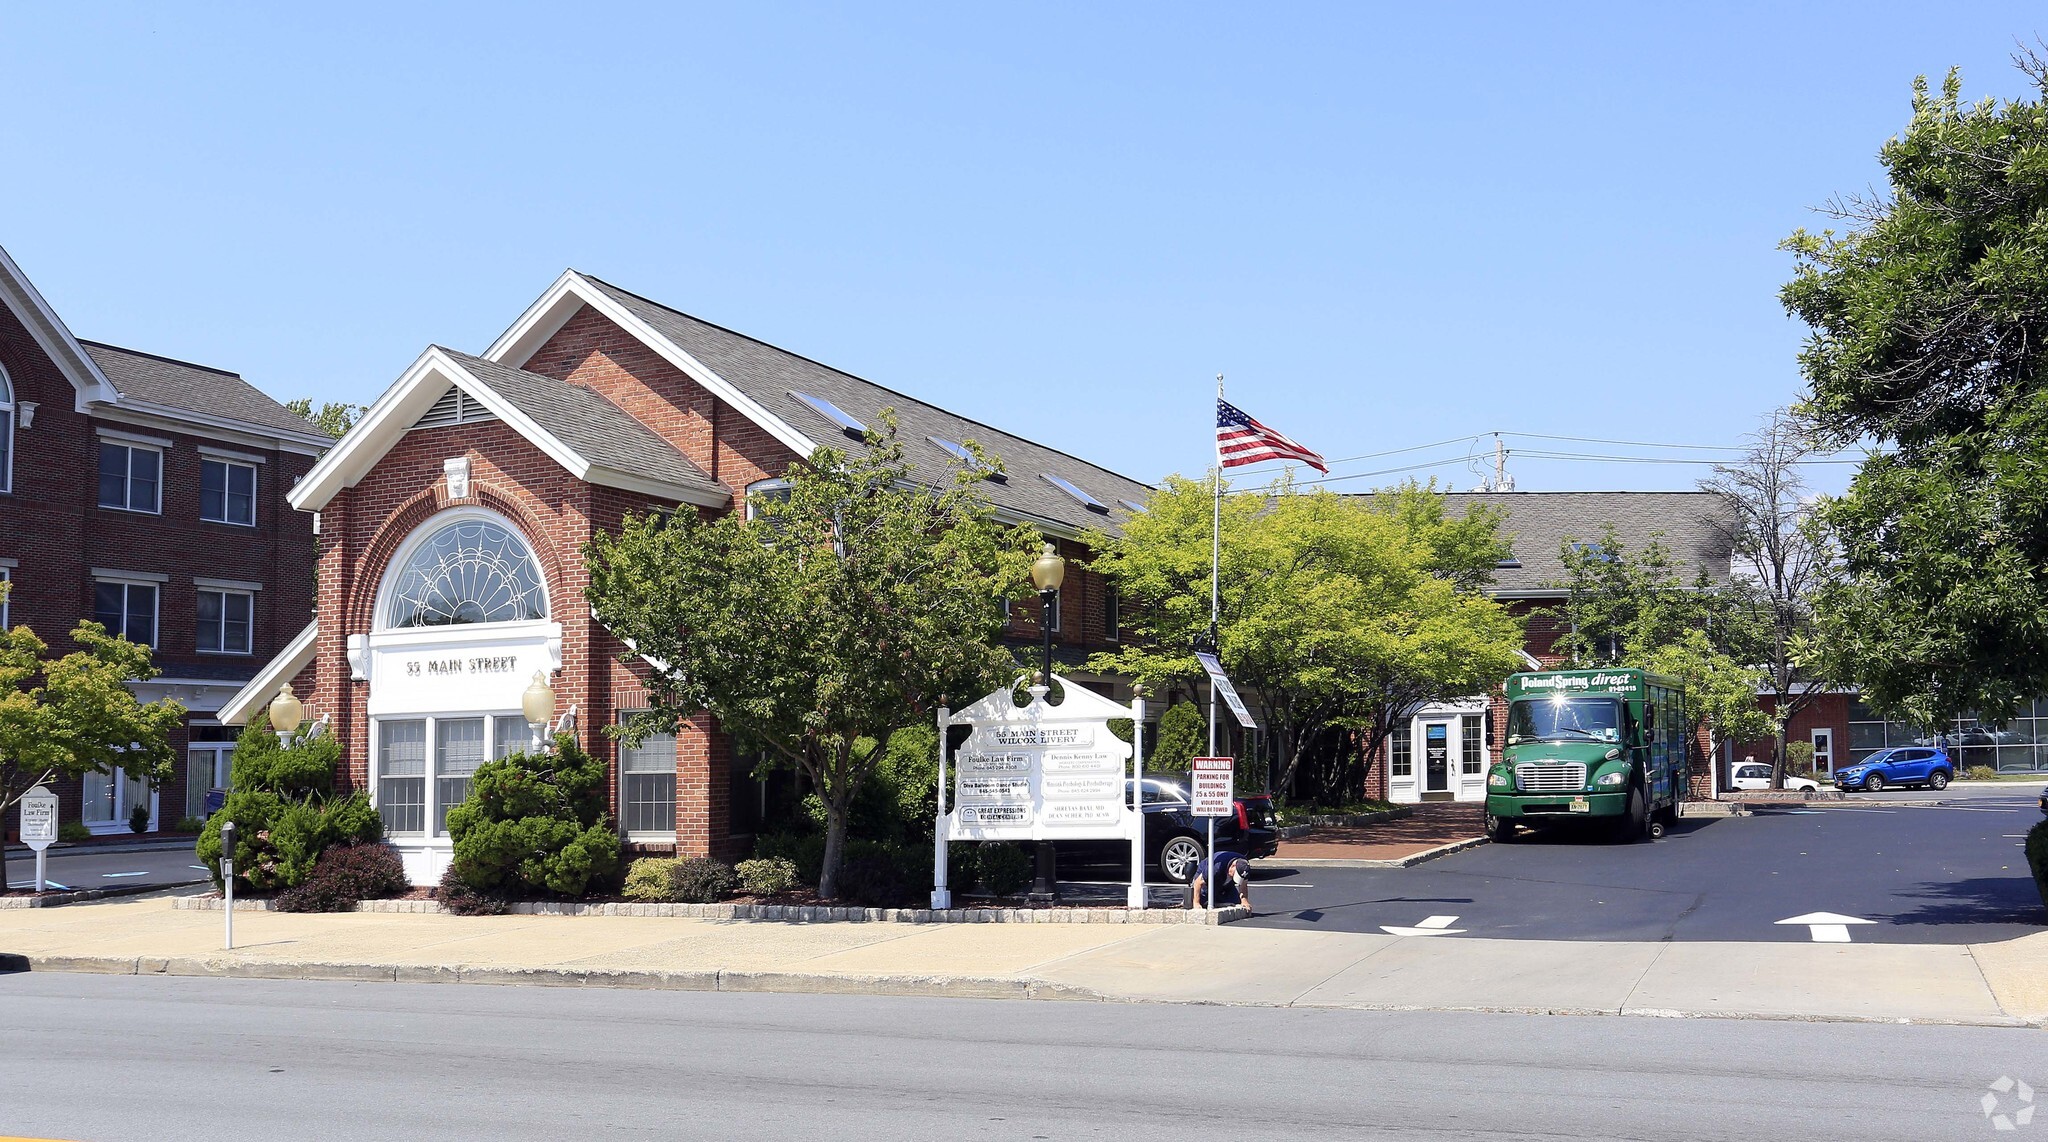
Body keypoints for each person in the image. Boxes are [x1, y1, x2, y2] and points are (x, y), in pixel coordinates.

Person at [1187, 849, 1251, 911]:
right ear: (1232, 866)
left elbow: (1243, 884)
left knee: (1236, 902)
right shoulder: (1215, 867)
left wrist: (1244, 900)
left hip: (1225, 879)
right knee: (1204, 900)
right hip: (1209, 876)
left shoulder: (1244, 866)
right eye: (1235, 874)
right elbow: (1198, 883)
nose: (1233, 877)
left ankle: (1218, 901)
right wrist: (1196, 903)